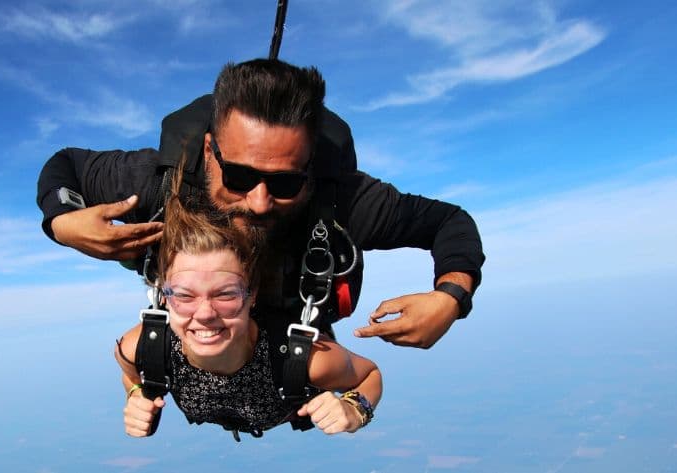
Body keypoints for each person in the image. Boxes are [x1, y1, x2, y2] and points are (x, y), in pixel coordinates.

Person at [36, 58, 485, 349]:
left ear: (310, 168)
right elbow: (66, 163)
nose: (260, 201)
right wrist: (63, 221)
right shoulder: (157, 183)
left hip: (301, 363)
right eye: (240, 176)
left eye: (286, 182)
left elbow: (448, 221)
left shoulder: (342, 200)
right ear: (210, 152)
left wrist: (450, 298)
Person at [114, 166, 382, 439]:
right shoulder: (141, 348)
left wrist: (354, 410)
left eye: (226, 294)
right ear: (163, 297)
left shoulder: (306, 361)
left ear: (252, 293)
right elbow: (133, 376)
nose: (205, 313)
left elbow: (369, 375)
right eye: (184, 295)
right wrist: (135, 395)